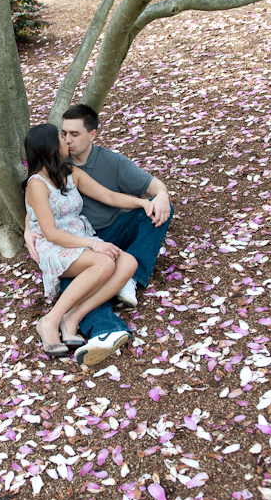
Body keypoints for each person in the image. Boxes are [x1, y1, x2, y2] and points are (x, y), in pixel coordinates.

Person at [26, 104, 174, 365]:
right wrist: (94, 244)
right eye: (63, 136)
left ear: (92, 134)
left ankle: (72, 318)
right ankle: (58, 322)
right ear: (51, 146)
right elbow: (47, 229)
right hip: (60, 245)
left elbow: (107, 195)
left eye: (72, 134)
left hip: (85, 239)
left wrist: (145, 202)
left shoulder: (71, 172)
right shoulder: (38, 183)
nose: (67, 141)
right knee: (102, 264)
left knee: (127, 261)